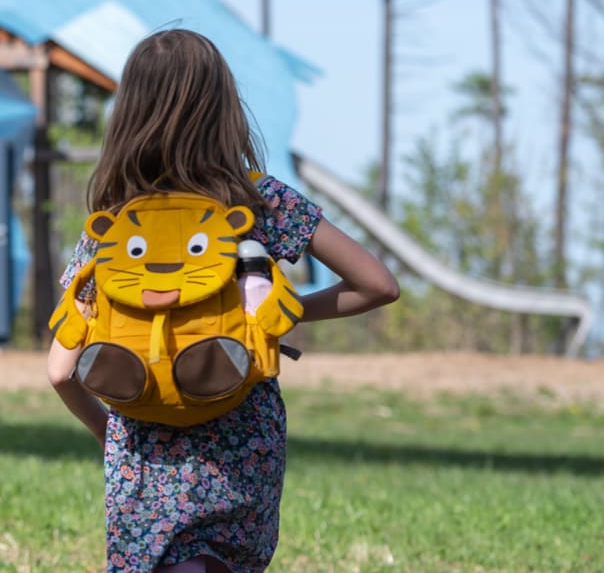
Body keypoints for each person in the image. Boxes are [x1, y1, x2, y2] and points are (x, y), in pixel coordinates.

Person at [46, 29, 399, 573]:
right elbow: (377, 284)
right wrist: (288, 311)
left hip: (140, 448)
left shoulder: (115, 224)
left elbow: (61, 371)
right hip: (241, 436)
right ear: (223, 110)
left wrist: (105, 431)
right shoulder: (260, 200)